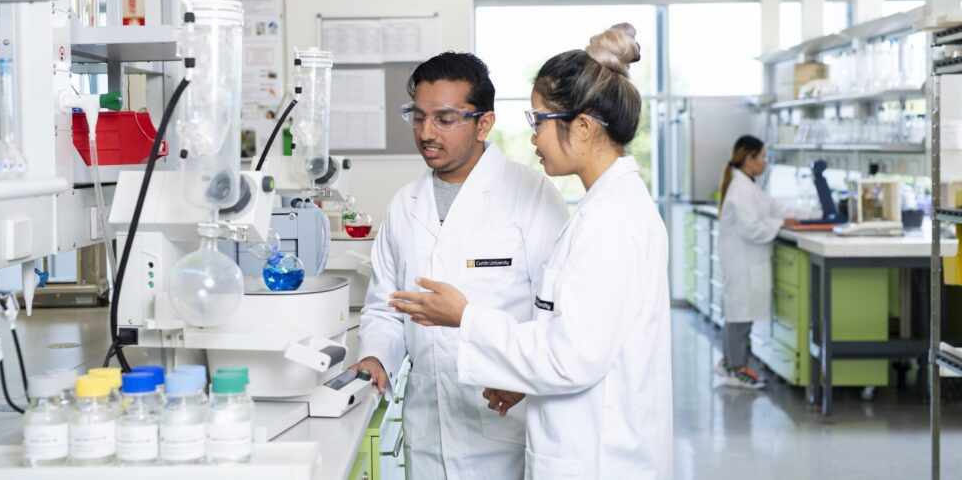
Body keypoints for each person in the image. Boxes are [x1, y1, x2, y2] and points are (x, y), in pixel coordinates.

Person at [388, 23, 673, 480]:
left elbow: (570, 356)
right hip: (582, 444)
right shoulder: (601, 210)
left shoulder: (610, 222)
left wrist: (467, 317)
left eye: (539, 121)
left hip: (598, 456)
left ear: (581, 127)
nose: (534, 138)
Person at [350, 52, 569, 479]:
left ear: (483, 123)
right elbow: (385, 308)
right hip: (428, 430)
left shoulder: (533, 196)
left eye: (445, 119)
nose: (426, 133)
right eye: (418, 117)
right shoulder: (404, 205)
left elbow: (559, 314)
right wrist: (375, 357)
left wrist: (524, 378)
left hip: (506, 428)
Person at [715, 135, 818, 390]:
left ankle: (731, 362)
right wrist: (780, 224)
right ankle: (736, 370)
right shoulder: (740, 190)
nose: (765, 162)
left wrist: (814, 215)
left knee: (739, 315)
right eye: (762, 156)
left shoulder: (748, 185)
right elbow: (751, 229)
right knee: (739, 317)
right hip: (742, 262)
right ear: (748, 159)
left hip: (746, 261)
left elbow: (776, 209)